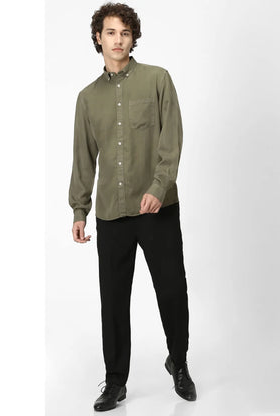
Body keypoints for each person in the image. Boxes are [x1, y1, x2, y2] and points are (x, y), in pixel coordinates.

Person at [68, 2, 196, 411]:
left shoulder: (158, 80)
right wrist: (79, 210)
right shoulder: (88, 99)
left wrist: (159, 186)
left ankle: (179, 362)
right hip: (112, 213)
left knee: (172, 290)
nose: (118, 40)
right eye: (110, 32)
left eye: (125, 32)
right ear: (98, 38)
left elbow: (171, 141)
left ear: (133, 37)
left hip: (158, 208)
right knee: (113, 301)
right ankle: (115, 382)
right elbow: (84, 158)